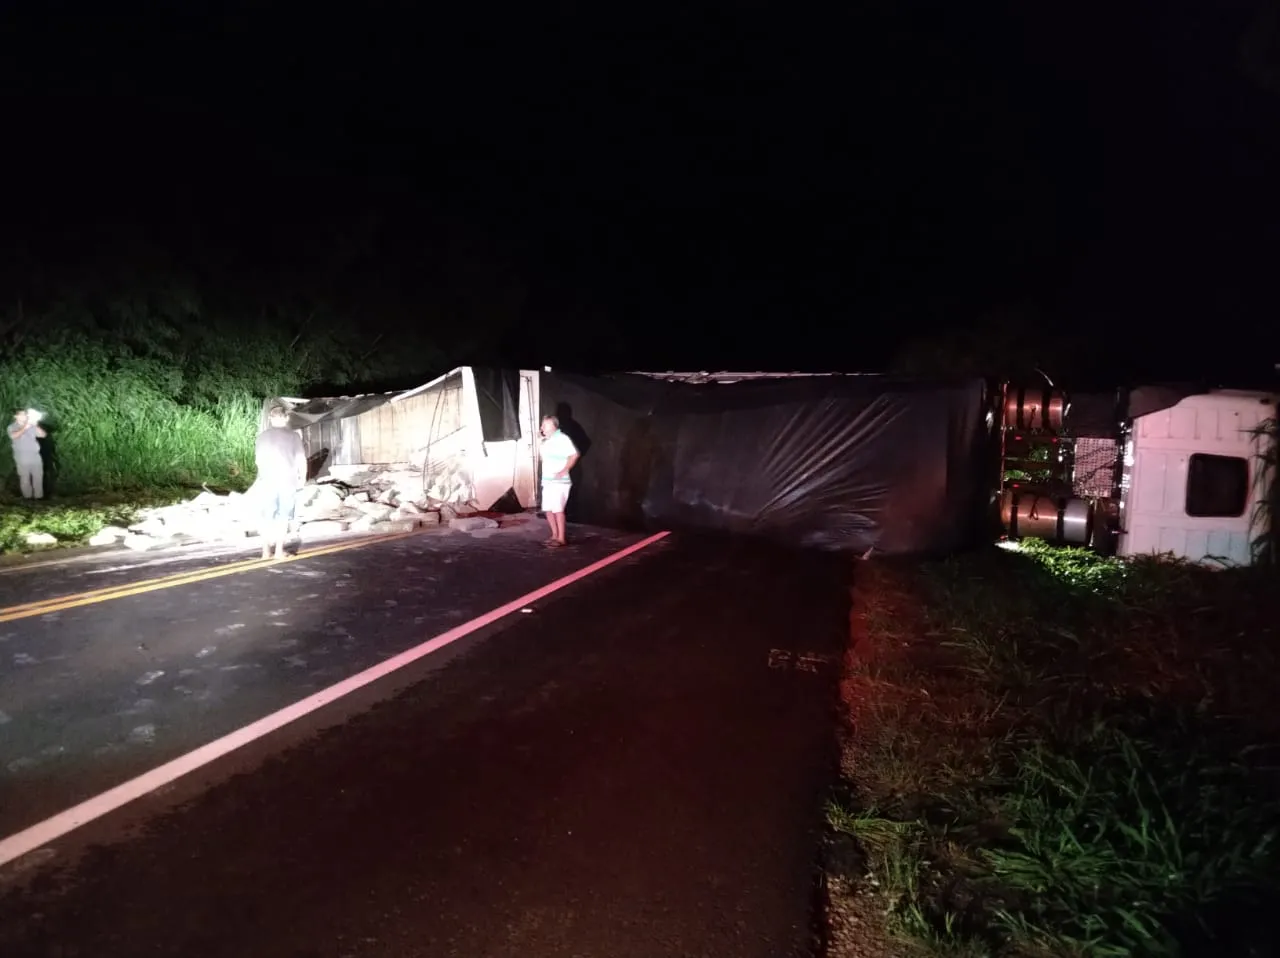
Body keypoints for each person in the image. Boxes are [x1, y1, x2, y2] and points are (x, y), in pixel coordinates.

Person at [255, 405, 308, 560]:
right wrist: (302, 479)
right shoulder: (294, 436)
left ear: (271, 419)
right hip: (287, 481)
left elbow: (258, 461)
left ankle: (265, 552)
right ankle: (278, 551)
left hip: (266, 481)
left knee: (267, 516)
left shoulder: (261, 437)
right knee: (283, 516)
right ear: (286, 418)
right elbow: (300, 460)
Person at [539, 414, 580, 547]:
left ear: (553, 426)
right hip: (547, 480)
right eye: (542, 425)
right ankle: (554, 535)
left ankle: (561, 538)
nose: (542, 427)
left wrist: (564, 470)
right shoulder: (545, 441)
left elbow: (574, 455)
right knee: (548, 509)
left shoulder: (563, 439)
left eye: (545, 425)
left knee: (558, 509)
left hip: (560, 481)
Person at [7, 408, 47, 500]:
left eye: (25, 415)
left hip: (35, 456)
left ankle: (39, 498)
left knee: (38, 477)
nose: (24, 416)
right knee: (25, 478)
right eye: (21, 415)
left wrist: (36, 425)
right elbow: (13, 436)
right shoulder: (12, 427)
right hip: (22, 457)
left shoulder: (32, 426)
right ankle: (27, 498)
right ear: (16, 416)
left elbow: (43, 435)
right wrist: (25, 427)